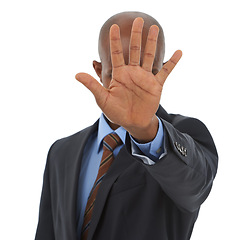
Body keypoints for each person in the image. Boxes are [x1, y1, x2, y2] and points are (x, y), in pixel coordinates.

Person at [35, 11, 218, 240]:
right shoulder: (61, 153)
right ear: (99, 70)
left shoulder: (185, 134)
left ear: (161, 70)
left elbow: (194, 187)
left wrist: (145, 130)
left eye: (149, 72)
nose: (135, 84)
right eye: (117, 73)